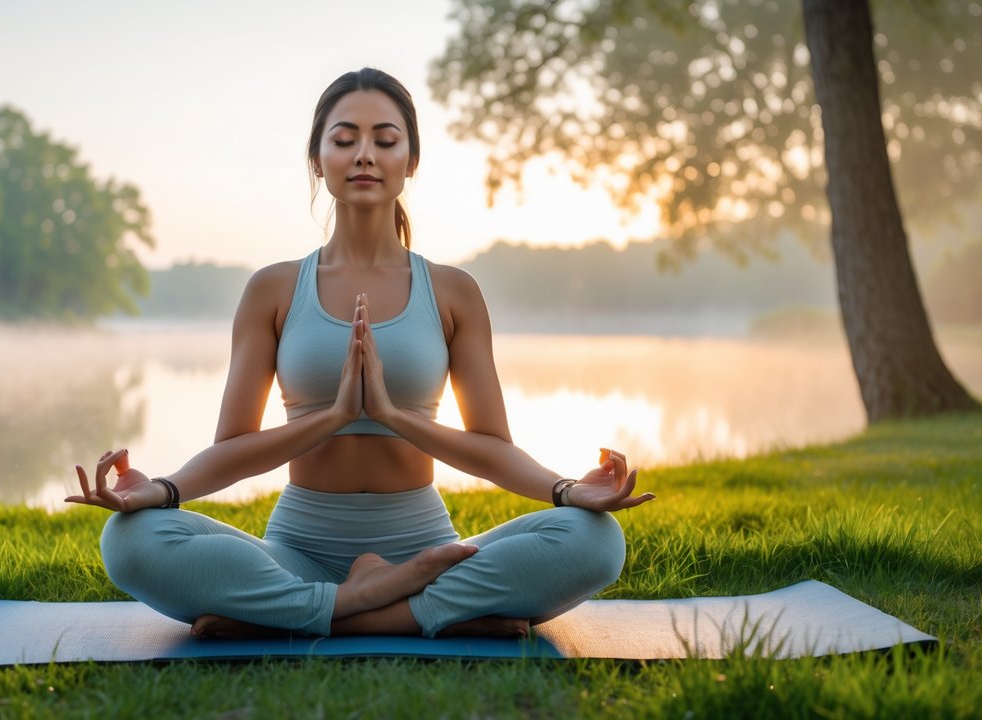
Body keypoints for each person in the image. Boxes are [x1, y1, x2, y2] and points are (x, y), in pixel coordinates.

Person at [66, 67, 654, 639]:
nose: (365, 154)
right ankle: (397, 606)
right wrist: (164, 490)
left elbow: (492, 450)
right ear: (318, 161)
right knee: (129, 539)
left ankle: (316, 611)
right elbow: (234, 451)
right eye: (344, 140)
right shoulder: (273, 289)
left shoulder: (453, 292)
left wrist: (564, 491)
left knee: (596, 539)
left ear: (411, 161)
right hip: (298, 549)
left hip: (426, 548)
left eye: (385, 140)